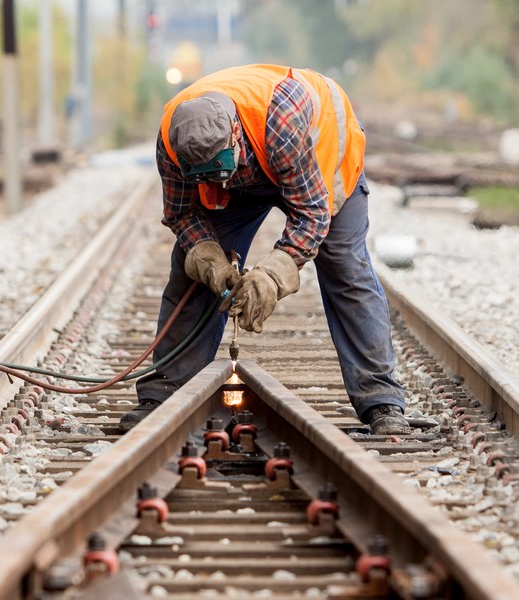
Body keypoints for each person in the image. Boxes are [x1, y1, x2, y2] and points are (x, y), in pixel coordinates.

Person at [120, 64, 410, 436]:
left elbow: (311, 214)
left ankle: (380, 399)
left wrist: (272, 275)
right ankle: (162, 391)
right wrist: (209, 259)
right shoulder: (172, 142)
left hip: (319, 160)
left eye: (219, 168)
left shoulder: (282, 124)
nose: (216, 179)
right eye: (206, 174)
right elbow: (182, 213)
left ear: (235, 133)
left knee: (344, 268)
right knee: (188, 273)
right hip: (250, 169)